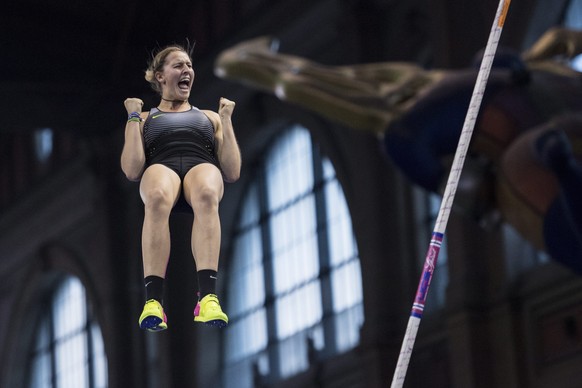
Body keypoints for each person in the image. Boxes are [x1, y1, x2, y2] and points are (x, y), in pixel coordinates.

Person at [214, 27, 582, 273]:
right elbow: (403, 143)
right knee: (324, 90)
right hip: (455, 105)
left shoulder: (531, 95)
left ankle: (250, 61)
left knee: (353, 87)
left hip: (479, 95)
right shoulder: (417, 127)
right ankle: (245, 63)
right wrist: (451, 185)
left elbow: (507, 60)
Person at [121, 44, 241, 331]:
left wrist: (225, 119)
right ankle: (154, 302)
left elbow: (232, 170)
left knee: (207, 194)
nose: (187, 70)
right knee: (158, 197)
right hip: (162, 166)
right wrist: (133, 116)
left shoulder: (210, 117)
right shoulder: (146, 119)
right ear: (160, 77)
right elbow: (132, 169)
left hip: (201, 165)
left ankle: (208, 298)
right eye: (178, 66)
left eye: (189, 65)